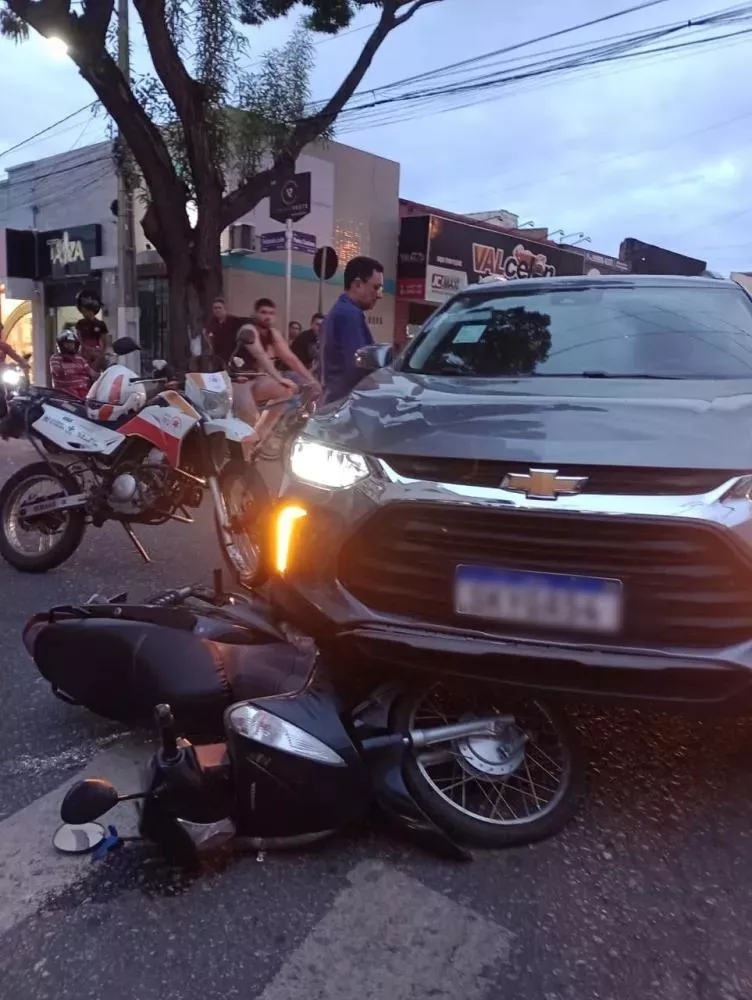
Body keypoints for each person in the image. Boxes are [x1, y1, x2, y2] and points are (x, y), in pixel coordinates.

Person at [320, 256, 383, 403]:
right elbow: (359, 365)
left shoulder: (339, 311)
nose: (379, 295)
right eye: (375, 287)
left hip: (333, 400)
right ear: (357, 285)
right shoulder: (350, 315)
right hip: (345, 403)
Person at [230, 322, 296, 428]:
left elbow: (269, 365)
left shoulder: (269, 341)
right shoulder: (248, 335)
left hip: (256, 379)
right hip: (238, 379)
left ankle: (261, 432)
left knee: (286, 390)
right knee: (250, 417)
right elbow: (262, 358)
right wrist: (279, 378)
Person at [49, 327, 97, 400]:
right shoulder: (55, 359)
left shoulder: (80, 359)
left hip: (84, 396)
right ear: (61, 344)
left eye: (72, 343)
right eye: (67, 343)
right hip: (65, 397)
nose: (70, 345)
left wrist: (104, 375)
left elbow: (92, 374)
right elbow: (59, 372)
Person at [206, 297, 247, 363]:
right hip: (218, 356)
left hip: (232, 354)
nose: (217, 310)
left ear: (225, 309)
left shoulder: (235, 320)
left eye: (219, 308)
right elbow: (208, 333)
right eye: (215, 308)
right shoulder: (212, 322)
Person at [75, 293, 109, 373]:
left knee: (95, 370)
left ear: (91, 311)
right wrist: (86, 348)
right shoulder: (80, 323)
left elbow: (105, 340)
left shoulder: (101, 324)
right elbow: (78, 338)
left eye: (85, 311)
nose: (83, 313)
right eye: (82, 311)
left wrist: (101, 352)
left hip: (96, 351)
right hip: (84, 351)